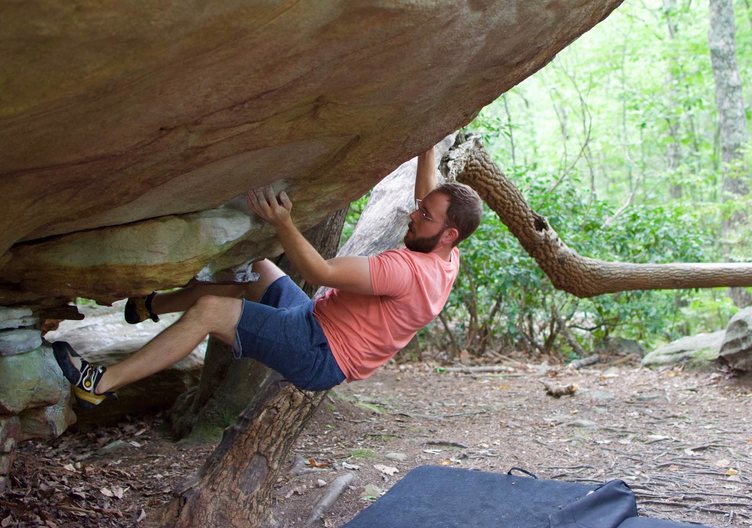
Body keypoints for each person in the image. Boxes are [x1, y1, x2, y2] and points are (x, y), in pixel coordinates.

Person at [53, 147, 482, 408]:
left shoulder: (404, 271)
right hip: (317, 320)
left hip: (319, 351)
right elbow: (426, 193)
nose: (414, 213)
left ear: (446, 233)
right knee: (256, 269)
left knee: (210, 311)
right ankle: (152, 306)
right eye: (420, 206)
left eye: (424, 216)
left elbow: (322, 270)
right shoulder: (448, 255)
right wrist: (429, 143)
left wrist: (282, 221)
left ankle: (99, 384)